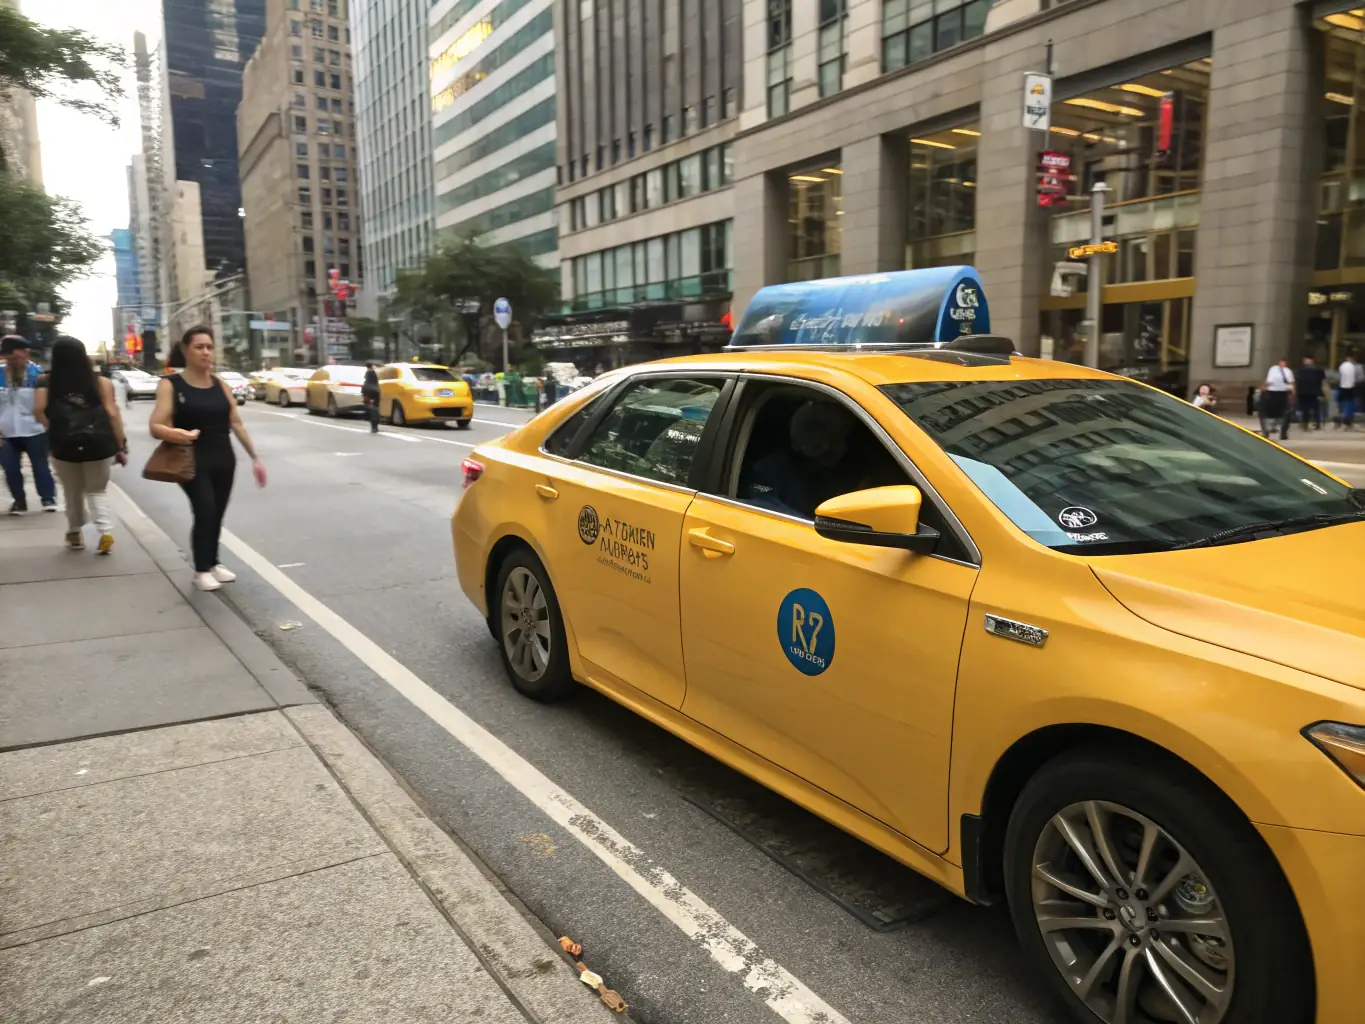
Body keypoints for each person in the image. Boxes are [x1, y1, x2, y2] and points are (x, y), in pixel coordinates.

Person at [149, 327, 267, 592]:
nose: (206, 352)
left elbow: (236, 423)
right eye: (199, 347)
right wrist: (179, 434)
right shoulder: (171, 385)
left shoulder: (220, 384)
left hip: (224, 458)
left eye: (209, 347)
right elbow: (156, 425)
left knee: (217, 513)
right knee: (204, 510)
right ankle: (201, 570)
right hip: (191, 458)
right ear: (185, 351)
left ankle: (213, 562)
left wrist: (255, 457)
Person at [33, 338, 127, 552]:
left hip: (64, 445)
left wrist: (56, 429)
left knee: (72, 491)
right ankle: (105, 533)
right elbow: (112, 413)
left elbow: (38, 411)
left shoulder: (46, 382)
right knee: (97, 490)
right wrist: (120, 443)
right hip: (98, 444)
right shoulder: (100, 382)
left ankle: (75, 533)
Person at [0, 335, 57, 514]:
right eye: (19, 352)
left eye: (25, 352)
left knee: (40, 465)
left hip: (35, 429)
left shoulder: (38, 374)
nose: (23, 355)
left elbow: (46, 404)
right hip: (5, 431)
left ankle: (48, 498)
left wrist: (50, 428)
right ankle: (19, 501)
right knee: (10, 469)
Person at [1258, 358, 1294, 440]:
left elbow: (1291, 383)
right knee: (1283, 412)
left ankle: (1269, 431)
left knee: (1267, 412)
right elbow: (1269, 381)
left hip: (1278, 393)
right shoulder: (1274, 369)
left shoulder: (1286, 371)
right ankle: (1275, 432)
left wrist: (1263, 389)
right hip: (1275, 392)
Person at [1296, 355, 1326, 430]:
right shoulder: (1318, 370)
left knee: (1306, 408)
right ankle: (1316, 423)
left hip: (1305, 393)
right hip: (1312, 392)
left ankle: (1307, 423)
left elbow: (1298, 382)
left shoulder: (1300, 371)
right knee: (1314, 408)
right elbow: (1322, 381)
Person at [1337, 352, 1359, 429]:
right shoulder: (1353, 366)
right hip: (1351, 387)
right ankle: (1348, 419)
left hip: (1342, 386)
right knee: (1350, 403)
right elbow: (1355, 377)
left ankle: (1341, 418)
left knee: (1342, 403)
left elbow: (1340, 376)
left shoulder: (1342, 366)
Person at [362, 362, 380, 433]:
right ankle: (375, 426)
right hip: (374, 391)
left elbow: (366, 382)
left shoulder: (367, 374)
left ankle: (373, 426)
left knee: (371, 409)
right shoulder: (373, 373)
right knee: (375, 409)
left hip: (367, 391)